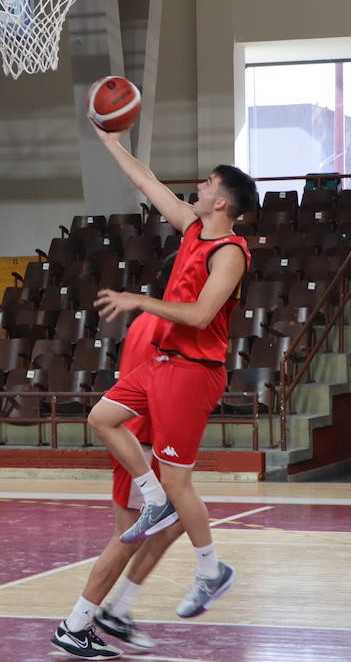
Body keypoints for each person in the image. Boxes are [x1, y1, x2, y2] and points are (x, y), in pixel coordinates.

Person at [51, 123, 257, 659]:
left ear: (223, 201)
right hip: (163, 367)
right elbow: (149, 183)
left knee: (176, 489)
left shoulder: (230, 251)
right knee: (100, 417)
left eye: (209, 183)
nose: (200, 186)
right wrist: (111, 144)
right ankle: (149, 515)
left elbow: (201, 313)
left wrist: (142, 302)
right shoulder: (192, 228)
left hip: (193, 370)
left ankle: (209, 570)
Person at [56, 311, 184, 659]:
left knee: (176, 522)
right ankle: (76, 625)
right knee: (128, 535)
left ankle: (118, 609)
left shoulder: (149, 318)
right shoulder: (169, 322)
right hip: (138, 440)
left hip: (143, 438)